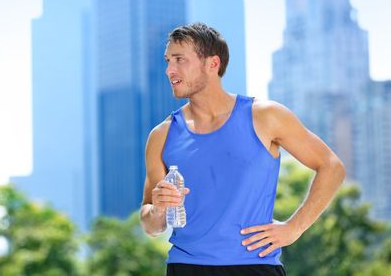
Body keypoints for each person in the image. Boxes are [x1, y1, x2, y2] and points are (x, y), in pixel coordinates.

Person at [139, 22, 346, 276]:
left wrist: (295, 228)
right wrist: (159, 208)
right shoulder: (162, 135)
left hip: (255, 266)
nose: (170, 69)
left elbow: (331, 166)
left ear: (212, 64)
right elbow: (151, 224)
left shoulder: (266, 116)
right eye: (168, 60)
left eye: (179, 59)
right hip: (185, 267)